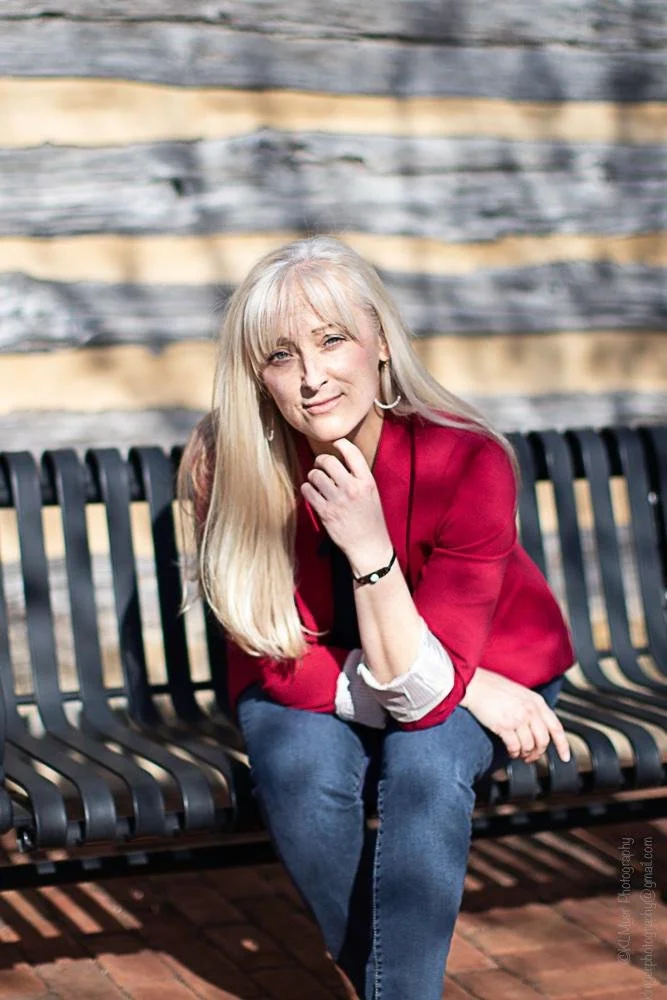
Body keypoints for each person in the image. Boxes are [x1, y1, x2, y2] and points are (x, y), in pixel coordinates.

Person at [178, 235, 575, 999]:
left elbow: (424, 701)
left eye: (333, 340)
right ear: (257, 377)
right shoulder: (226, 465)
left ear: (382, 344)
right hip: (310, 672)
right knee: (299, 768)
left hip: (498, 664)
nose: (312, 376)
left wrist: (367, 547)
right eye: (280, 355)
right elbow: (273, 648)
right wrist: (466, 687)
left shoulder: (468, 460)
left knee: (425, 763)